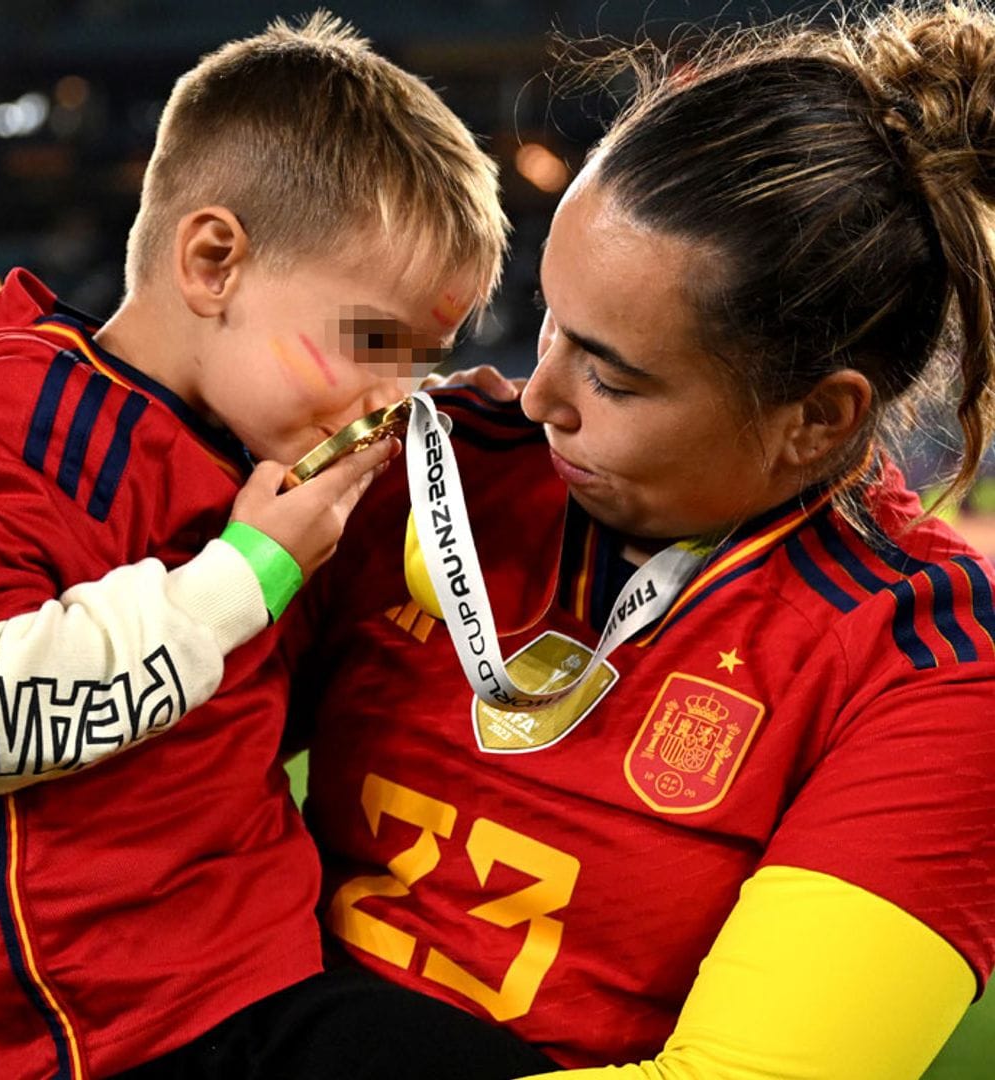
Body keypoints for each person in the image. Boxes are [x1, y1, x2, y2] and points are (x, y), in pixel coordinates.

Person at [285, 3, 995, 1076]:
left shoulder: (928, 671)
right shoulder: (434, 477)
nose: (537, 397)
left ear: (819, 417)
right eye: (551, 321)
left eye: (612, 376)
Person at [0, 13, 562, 1080]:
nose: (391, 396)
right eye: (373, 343)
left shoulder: (256, 442)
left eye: (421, 361)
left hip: (256, 983)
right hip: (90, 1041)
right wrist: (244, 575)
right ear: (214, 260)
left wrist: (493, 444)